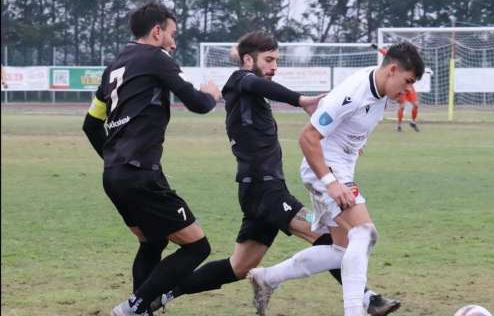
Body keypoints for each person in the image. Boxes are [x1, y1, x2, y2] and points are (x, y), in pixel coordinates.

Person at [147, 31, 399, 316]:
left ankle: (164, 293)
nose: (274, 66)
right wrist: (300, 99)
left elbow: (259, 85)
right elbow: (255, 82)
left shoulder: (248, 90)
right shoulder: (240, 80)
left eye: (276, 60)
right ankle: (365, 299)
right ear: (247, 60)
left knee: (239, 266)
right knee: (329, 240)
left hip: (256, 190)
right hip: (266, 191)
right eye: (268, 60)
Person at [248, 42, 425, 316]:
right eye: (408, 81)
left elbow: (348, 125)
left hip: (339, 169)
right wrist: (331, 182)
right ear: (392, 70)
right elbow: (307, 137)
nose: (408, 90)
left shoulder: (380, 87)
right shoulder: (353, 93)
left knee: (341, 250)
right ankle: (355, 311)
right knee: (365, 233)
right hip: (325, 171)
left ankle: (267, 278)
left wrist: (353, 145)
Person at [81, 2, 222, 316]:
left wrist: (114, 159)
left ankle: (140, 310)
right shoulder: (157, 58)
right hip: (141, 174)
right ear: (157, 32)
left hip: (115, 176)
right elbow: (198, 103)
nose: (174, 41)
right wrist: (211, 94)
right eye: (172, 34)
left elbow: (91, 125)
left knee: (153, 242)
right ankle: (133, 307)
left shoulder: (114, 66)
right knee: (198, 247)